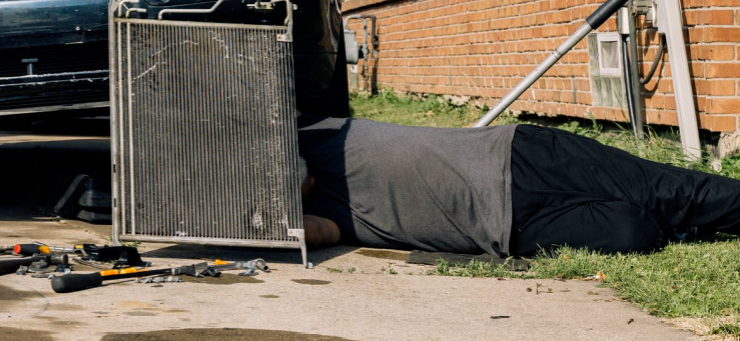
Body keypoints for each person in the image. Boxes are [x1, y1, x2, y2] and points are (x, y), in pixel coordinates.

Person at [298, 117, 740, 256]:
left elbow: (297, 168)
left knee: (671, 192)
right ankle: (686, 225)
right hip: (514, 226)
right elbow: (310, 230)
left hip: (521, 155)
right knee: (635, 232)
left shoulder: (314, 135)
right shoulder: (326, 219)